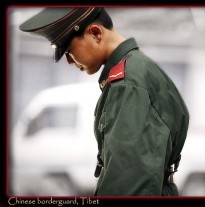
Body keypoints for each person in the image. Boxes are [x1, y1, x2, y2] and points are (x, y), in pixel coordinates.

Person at [19, 7, 189, 196]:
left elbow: (128, 182)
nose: (69, 61)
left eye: (68, 51)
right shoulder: (136, 69)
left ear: (96, 33)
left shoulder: (127, 83)